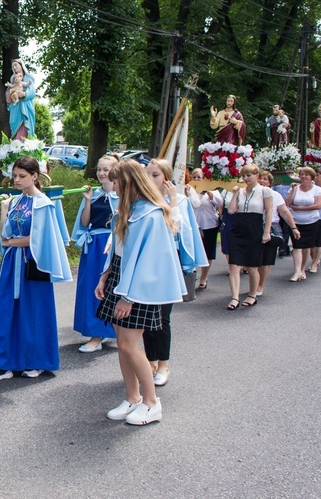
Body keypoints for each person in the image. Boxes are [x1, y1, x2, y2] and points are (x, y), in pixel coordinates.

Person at [95, 160, 186, 425]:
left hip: (138, 288)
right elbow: (119, 250)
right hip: (121, 278)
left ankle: (151, 402)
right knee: (123, 347)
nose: (112, 186)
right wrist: (105, 275)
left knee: (129, 345)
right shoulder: (129, 209)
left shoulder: (152, 214)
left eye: (116, 181)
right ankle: (132, 397)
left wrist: (128, 297)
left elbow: (148, 261)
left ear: (130, 182)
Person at [0, 156, 72, 382]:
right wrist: (4, 209)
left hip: (34, 265)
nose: (17, 180)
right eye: (15, 176)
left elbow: (39, 239)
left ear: (35, 176)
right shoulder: (15, 201)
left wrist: (12, 242)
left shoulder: (44, 204)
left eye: (22, 176)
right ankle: (3, 362)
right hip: (12, 263)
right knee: (6, 311)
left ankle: (36, 360)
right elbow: (5, 233)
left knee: (33, 313)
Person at [143, 159, 208, 387]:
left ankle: (163, 364)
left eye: (155, 175)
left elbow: (180, 231)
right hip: (146, 265)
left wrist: (171, 201)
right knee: (145, 316)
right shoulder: (142, 199)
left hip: (169, 266)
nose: (150, 179)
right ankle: (149, 360)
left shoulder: (179, 201)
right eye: (147, 174)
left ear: (167, 178)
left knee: (161, 317)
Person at [71, 155, 119, 353]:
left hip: (110, 245)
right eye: (99, 169)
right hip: (93, 244)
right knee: (91, 288)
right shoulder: (94, 194)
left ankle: (104, 332)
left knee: (109, 288)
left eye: (106, 170)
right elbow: (84, 223)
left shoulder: (121, 196)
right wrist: (88, 201)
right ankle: (95, 331)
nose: (101, 173)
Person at [225, 165, 273, 309]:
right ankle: (235, 297)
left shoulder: (265, 191)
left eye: (249, 175)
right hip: (238, 228)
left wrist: (266, 231)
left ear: (256, 175)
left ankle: (252, 294)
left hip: (254, 228)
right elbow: (232, 210)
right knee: (234, 265)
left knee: (252, 266)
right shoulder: (240, 191)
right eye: (244, 176)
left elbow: (269, 212)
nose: (246, 179)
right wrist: (234, 194)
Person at [256, 170, 300, 296]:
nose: (262, 181)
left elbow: (285, 212)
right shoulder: (250, 193)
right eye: (260, 178)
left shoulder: (275, 195)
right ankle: (254, 281)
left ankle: (260, 285)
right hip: (254, 227)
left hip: (272, 227)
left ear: (270, 182)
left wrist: (293, 227)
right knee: (253, 258)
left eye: (265, 179)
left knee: (266, 259)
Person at [285, 167, 321, 282]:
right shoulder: (295, 188)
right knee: (296, 246)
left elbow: (318, 205)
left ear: (311, 177)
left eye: (306, 174)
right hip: (295, 221)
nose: (304, 177)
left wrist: (300, 208)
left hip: (311, 221)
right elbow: (287, 203)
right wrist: (292, 191)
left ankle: (302, 269)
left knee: (306, 247)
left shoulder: (317, 190)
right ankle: (297, 271)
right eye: (301, 174)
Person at [190, 168, 223, 289]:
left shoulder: (212, 190)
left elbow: (220, 202)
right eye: (195, 177)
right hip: (194, 225)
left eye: (200, 177)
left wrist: (209, 192)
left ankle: (204, 276)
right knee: (192, 252)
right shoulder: (189, 190)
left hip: (209, 225)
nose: (197, 179)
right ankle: (191, 276)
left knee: (208, 253)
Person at [6, 59, 36, 140]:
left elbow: (32, 91)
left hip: (26, 107)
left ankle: (24, 147)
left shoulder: (28, 77)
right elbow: (8, 94)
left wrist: (24, 94)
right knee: (15, 127)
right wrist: (11, 92)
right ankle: (16, 146)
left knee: (24, 128)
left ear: (21, 65)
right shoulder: (13, 79)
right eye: (13, 66)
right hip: (15, 108)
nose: (14, 68)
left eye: (16, 65)